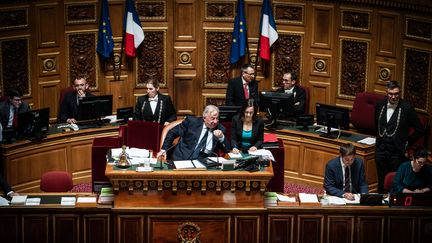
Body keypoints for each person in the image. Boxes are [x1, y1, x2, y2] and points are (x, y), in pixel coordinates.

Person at [375, 80, 425, 193]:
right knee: (381, 181)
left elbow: (420, 129)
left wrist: (406, 142)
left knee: (394, 182)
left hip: (396, 152)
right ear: (386, 92)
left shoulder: (407, 108)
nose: (393, 97)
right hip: (381, 149)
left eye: (396, 94)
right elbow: (377, 124)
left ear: (399, 92)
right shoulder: (379, 105)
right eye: (390, 94)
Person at [157, 105, 230, 160]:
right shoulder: (192, 122)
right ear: (204, 117)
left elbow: (227, 149)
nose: (215, 121)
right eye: (212, 118)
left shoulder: (220, 128)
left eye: (217, 118)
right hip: (182, 158)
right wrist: (164, 150)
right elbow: (172, 132)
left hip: (203, 162)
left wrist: (221, 137)